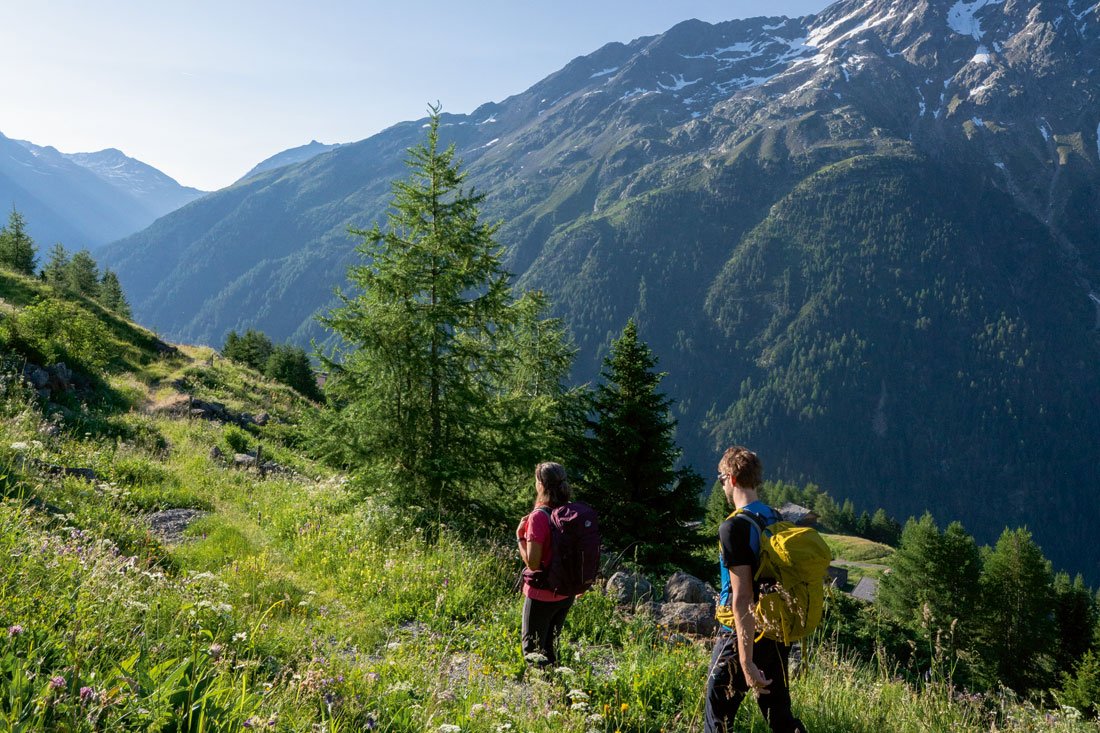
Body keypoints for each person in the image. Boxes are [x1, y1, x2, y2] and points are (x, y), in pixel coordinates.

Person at [706, 446, 806, 733]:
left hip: (742, 633)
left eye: (721, 478)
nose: (722, 484)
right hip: (776, 630)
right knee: (780, 718)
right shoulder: (775, 518)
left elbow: (743, 597)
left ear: (732, 479)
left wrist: (745, 660)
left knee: (718, 715)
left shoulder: (733, 527)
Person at [516, 461, 574, 667]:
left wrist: (520, 539)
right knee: (550, 648)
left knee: (533, 652)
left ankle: (544, 695)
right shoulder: (569, 512)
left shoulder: (539, 517)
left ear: (540, 484)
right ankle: (558, 692)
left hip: (542, 593)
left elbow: (533, 563)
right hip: (566, 592)